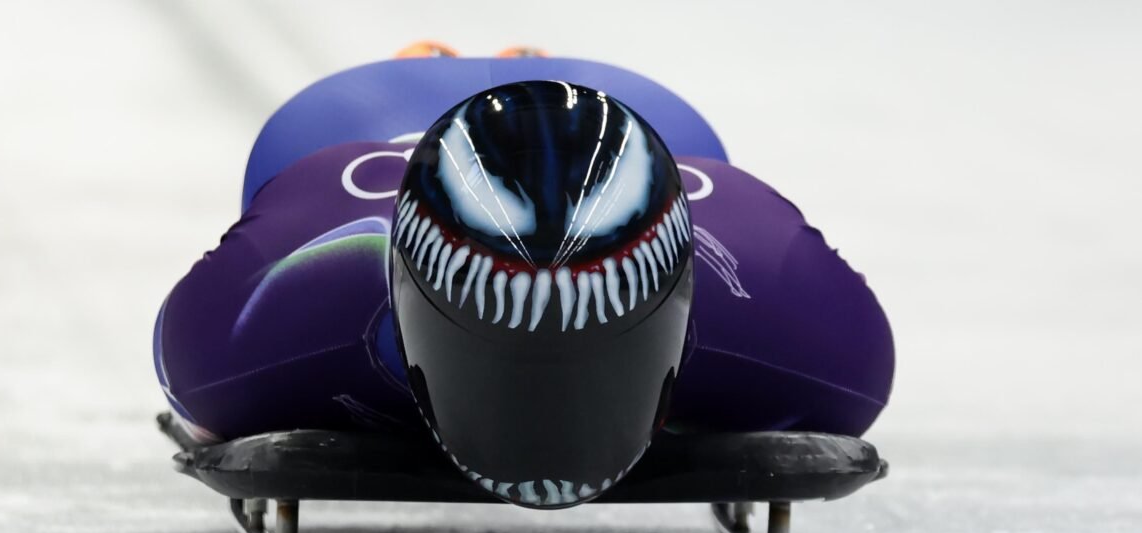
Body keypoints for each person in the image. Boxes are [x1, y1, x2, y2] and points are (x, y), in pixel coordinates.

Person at [154, 58, 894, 498]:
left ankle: (480, 63)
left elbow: (196, 402)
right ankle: (462, 62)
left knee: (688, 140)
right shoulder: (276, 299)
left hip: (659, 132)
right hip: (358, 121)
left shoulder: (233, 355)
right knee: (280, 162)